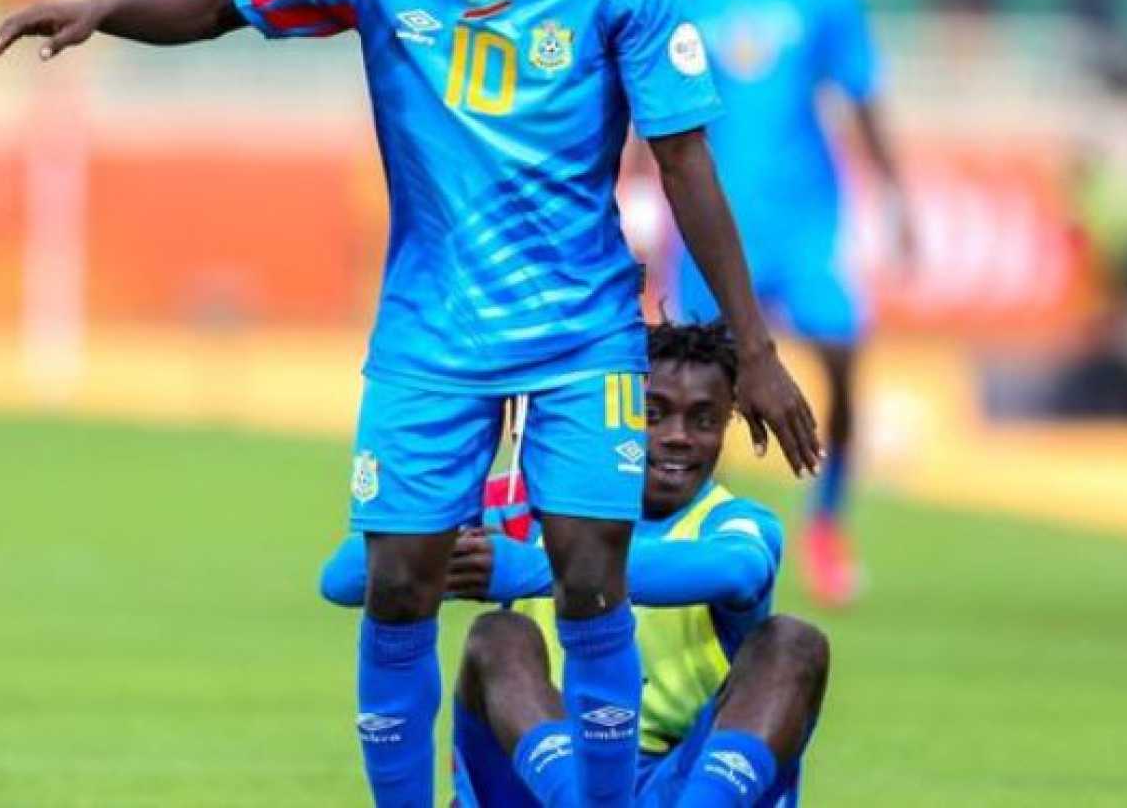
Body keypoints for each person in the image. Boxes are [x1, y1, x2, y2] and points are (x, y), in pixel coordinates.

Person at [0, 0, 820, 805]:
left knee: (592, 577)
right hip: (432, 333)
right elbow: (224, 3)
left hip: (584, 333)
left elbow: (688, 165)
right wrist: (106, 9)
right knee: (399, 585)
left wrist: (757, 352)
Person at [321, 321, 831, 806]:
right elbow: (341, 578)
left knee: (793, 643)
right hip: (550, 775)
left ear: (726, 425)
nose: (678, 436)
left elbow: (738, 570)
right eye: (652, 414)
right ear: (613, 419)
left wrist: (531, 568)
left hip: (681, 780)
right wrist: (434, 548)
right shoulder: (523, 506)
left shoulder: (734, 521)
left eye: (703, 420)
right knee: (497, 637)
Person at [671, 0, 913, 608]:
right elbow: (652, 111)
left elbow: (861, 94)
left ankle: (828, 521)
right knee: (698, 393)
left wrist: (896, 195)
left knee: (841, 357)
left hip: (805, 223)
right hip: (709, 232)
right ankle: (693, 532)